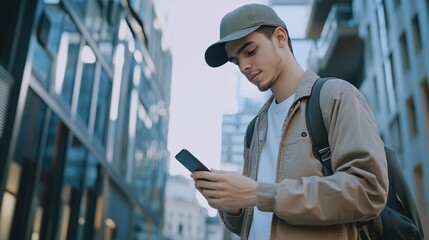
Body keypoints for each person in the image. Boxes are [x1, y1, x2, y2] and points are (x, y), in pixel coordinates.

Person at [191, 3, 388, 240]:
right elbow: (256, 219)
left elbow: (368, 191)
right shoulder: (254, 129)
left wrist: (259, 193)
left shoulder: (336, 96)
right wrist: (232, 204)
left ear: (280, 37)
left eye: (250, 51)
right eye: (236, 61)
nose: (244, 66)